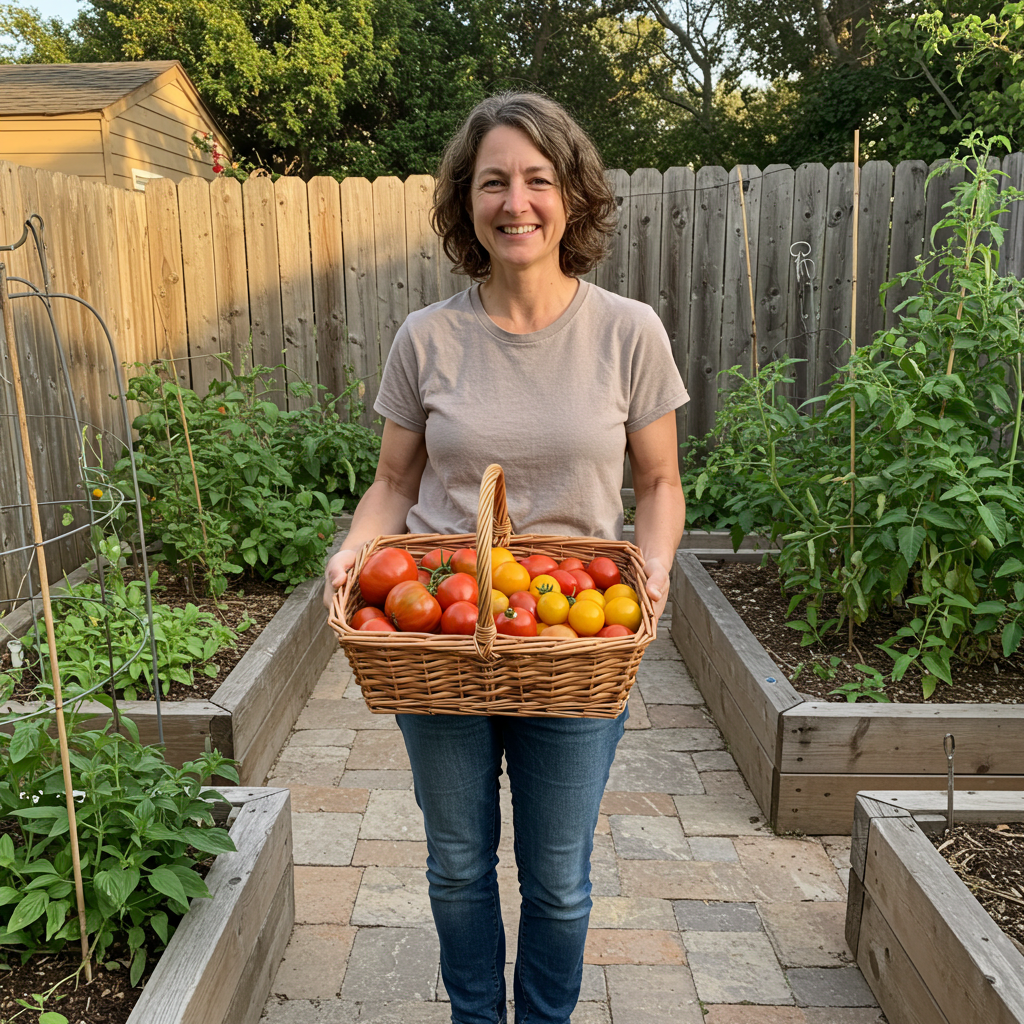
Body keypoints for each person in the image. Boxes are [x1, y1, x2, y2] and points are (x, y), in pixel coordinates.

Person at [323, 92, 688, 1024]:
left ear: (573, 196)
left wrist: (652, 566)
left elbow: (658, 483)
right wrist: (356, 548)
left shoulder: (628, 331)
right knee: (457, 866)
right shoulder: (427, 337)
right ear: (466, 201)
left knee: (559, 879)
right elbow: (393, 483)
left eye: (537, 179)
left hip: (576, 636)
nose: (515, 202)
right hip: (443, 631)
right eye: (493, 182)